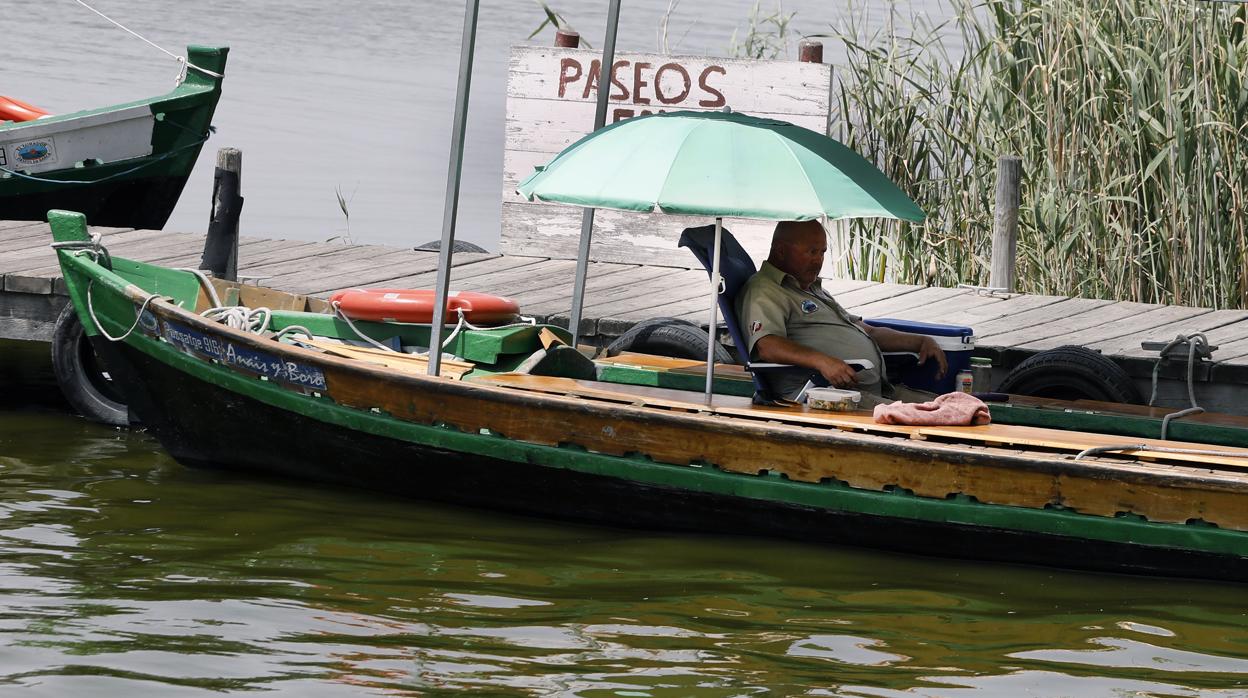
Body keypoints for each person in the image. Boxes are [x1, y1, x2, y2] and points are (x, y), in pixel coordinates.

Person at [736, 219, 947, 403]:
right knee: (939, 419)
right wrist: (822, 361)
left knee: (954, 406)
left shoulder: (811, 289)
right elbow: (767, 345)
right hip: (824, 397)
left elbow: (868, 332)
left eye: (822, 252)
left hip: (873, 391)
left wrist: (919, 341)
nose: (818, 260)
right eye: (811, 252)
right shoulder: (765, 290)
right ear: (781, 251)